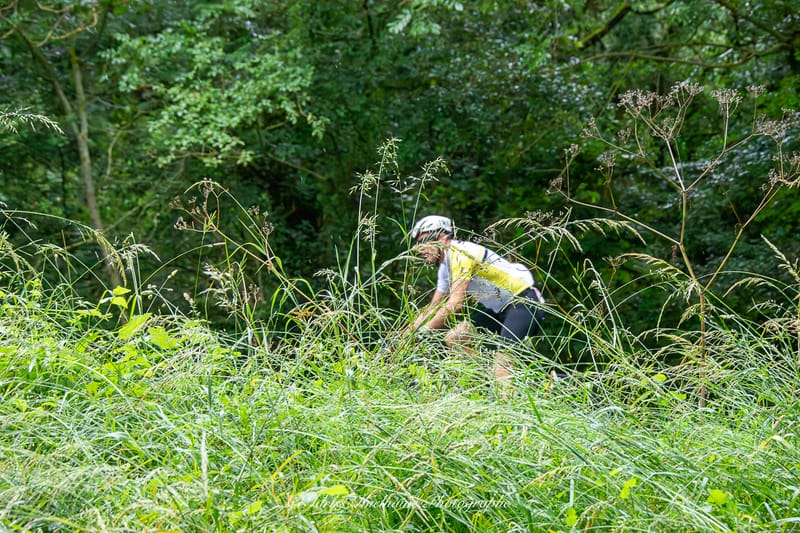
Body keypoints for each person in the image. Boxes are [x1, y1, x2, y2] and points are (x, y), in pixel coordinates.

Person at [404, 215, 545, 387]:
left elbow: (455, 304)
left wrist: (424, 330)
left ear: (442, 237)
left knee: (503, 365)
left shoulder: (460, 254)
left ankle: (516, 390)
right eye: (417, 244)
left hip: (522, 302)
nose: (420, 248)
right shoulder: (445, 267)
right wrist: (405, 336)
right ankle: (487, 384)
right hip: (498, 310)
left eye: (424, 241)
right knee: (457, 337)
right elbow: (433, 308)